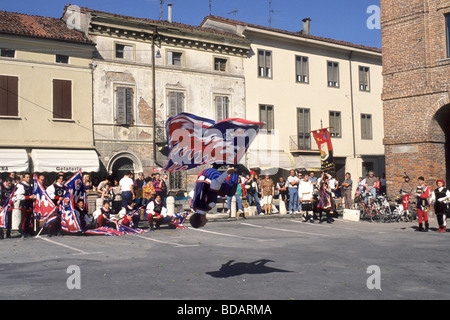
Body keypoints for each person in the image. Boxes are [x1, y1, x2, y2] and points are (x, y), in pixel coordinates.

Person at [14, 173, 35, 237]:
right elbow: (17, 196)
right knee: (24, 218)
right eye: (27, 177)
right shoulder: (21, 186)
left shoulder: (30, 186)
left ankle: (27, 230)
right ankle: (22, 230)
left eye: (29, 177)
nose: (28, 178)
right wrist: (28, 197)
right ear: (23, 178)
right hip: (24, 204)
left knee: (29, 218)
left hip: (30, 204)